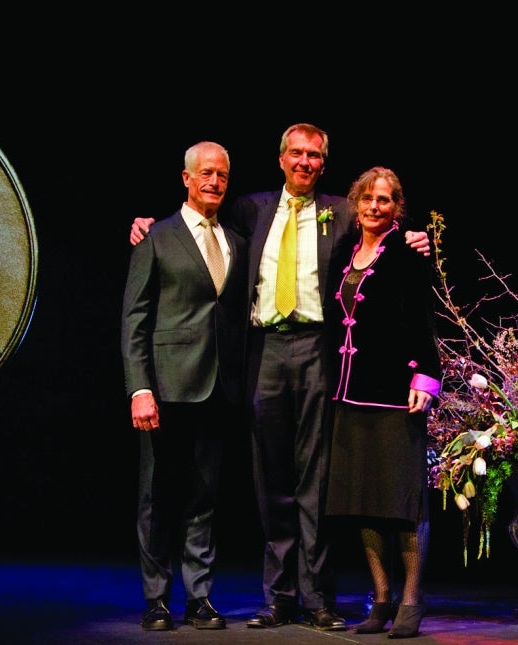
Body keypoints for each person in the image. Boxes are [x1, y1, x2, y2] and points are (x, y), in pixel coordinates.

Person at [129, 123, 431, 631]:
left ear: (323, 163)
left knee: (317, 479)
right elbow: (197, 217)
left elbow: (382, 233)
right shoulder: (251, 209)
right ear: (281, 158)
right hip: (263, 351)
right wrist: (147, 225)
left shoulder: (341, 212)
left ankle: (317, 599)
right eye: (296, 153)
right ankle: (279, 597)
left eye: (314, 155)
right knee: (271, 481)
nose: (305, 162)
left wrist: (414, 236)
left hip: (318, 351)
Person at [120, 141, 248, 631]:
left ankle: (199, 597)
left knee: (204, 498)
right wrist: (139, 388)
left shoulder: (236, 238)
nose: (214, 181)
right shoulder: (156, 236)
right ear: (187, 178)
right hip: (166, 389)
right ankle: (156, 598)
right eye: (206, 173)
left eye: (222, 175)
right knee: (157, 496)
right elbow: (134, 319)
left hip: (218, 388)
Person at [324, 166, 440, 638]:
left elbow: (421, 318)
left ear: (397, 207)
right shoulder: (344, 254)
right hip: (349, 393)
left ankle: (413, 598)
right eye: (368, 199)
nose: (376, 206)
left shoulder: (407, 252)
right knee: (364, 502)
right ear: (356, 203)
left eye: (386, 200)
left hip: (395, 393)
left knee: (402, 502)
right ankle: (382, 598)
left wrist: (427, 375)